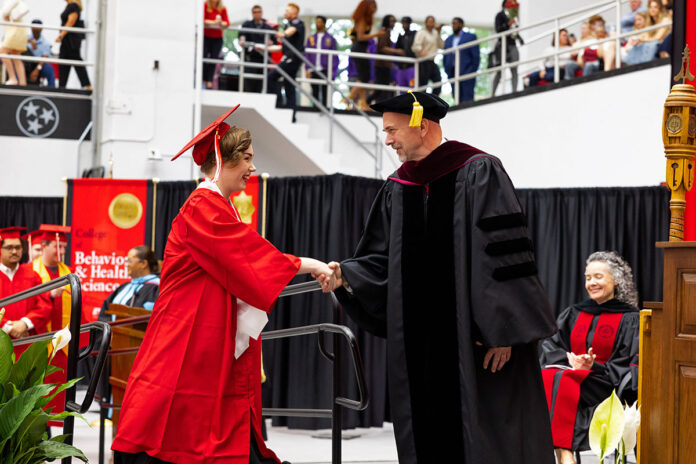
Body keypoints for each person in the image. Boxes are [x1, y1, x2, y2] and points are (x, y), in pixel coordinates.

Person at [320, 91, 557, 464]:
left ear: (422, 125)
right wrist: (347, 275)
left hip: (475, 344)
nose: (388, 139)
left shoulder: (480, 171)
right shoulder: (398, 188)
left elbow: (504, 258)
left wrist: (504, 332)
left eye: (393, 130)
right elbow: (380, 260)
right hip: (419, 348)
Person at [111, 108, 332, 464]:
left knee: (202, 422)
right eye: (246, 158)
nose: (252, 168)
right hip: (184, 331)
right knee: (170, 423)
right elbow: (250, 256)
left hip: (202, 331)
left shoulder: (219, 206)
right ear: (221, 160)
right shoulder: (202, 206)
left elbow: (246, 259)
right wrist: (312, 265)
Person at [540, 252, 640, 464]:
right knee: (549, 374)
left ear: (616, 281)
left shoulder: (630, 319)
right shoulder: (573, 313)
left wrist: (593, 365)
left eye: (598, 276)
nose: (591, 282)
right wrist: (571, 361)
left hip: (603, 384)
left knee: (558, 378)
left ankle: (561, 452)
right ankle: (564, 453)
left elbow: (628, 363)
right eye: (588, 278)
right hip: (568, 374)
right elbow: (551, 346)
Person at [0, 227, 51, 339]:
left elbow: (44, 305)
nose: (14, 251)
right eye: (9, 248)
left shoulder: (32, 275)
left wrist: (24, 324)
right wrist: (8, 328)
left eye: (18, 247)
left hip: (26, 339)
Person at [98, 245, 160, 321]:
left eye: (129, 261)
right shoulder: (124, 287)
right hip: (114, 332)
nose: (126, 264)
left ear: (144, 263)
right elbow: (105, 312)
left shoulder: (157, 288)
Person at [267, 3, 305, 122]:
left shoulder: (297, 23)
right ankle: (291, 115)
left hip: (292, 59)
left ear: (294, 13)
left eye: (287, 11)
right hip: (289, 58)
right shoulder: (287, 25)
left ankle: (279, 105)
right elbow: (281, 48)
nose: (285, 13)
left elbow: (290, 31)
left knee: (271, 77)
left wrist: (283, 34)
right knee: (289, 85)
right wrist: (263, 48)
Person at [347, 0, 384, 110]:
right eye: (372, 6)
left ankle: (363, 103)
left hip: (361, 49)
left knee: (364, 77)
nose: (373, 9)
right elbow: (361, 37)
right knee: (364, 77)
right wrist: (377, 34)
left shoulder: (365, 19)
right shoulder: (362, 19)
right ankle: (349, 98)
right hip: (358, 49)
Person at [443, 17, 479, 103]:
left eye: (455, 23)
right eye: (452, 24)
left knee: (467, 98)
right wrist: (447, 70)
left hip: (467, 71)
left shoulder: (470, 37)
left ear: (461, 24)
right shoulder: (448, 39)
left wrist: (472, 70)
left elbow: (475, 56)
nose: (453, 25)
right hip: (452, 72)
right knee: (456, 98)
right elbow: (445, 57)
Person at [304, 15, 338, 107]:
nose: (317, 24)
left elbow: (334, 56)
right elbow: (307, 55)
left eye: (319, 22)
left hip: (325, 69)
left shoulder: (330, 39)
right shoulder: (311, 38)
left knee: (325, 91)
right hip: (313, 69)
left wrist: (333, 71)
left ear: (324, 23)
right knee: (314, 90)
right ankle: (315, 108)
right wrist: (307, 68)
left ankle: (325, 109)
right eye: (316, 22)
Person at [56, 0, 91, 90]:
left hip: (71, 40)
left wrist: (61, 35)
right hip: (66, 41)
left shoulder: (74, 6)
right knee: (64, 62)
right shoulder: (69, 6)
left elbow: (71, 21)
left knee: (76, 60)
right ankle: (61, 87)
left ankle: (87, 86)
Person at [491, 0, 523, 95]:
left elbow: (514, 31)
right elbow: (498, 30)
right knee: (499, 71)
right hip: (502, 46)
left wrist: (519, 38)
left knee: (514, 69)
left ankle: (514, 91)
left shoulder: (514, 16)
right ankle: (492, 93)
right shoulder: (500, 15)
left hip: (512, 44)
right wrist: (507, 24)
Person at [240, 5, 273, 93]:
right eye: (255, 12)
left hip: (263, 59)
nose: (257, 14)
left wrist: (269, 43)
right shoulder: (247, 25)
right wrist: (242, 41)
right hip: (250, 59)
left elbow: (273, 41)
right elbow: (242, 36)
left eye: (259, 12)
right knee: (249, 84)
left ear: (261, 13)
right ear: (252, 13)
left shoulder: (267, 27)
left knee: (262, 85)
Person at [370, 14, 402, 103]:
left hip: (385, 66)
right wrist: (397, 51)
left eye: (394, 22)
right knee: (380, 90)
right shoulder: (384, 32)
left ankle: (369, 103)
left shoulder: (387, 32)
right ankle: (367, 103)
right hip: (381, 66)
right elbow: (382, 47)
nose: (393, 24)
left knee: (384, 89)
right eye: (392, 21)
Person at [411, 15, 444, 95]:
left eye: (433, 22)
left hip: (432, 61)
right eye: (429, 22)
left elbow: (442, 45)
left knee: (438, 82)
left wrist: (439, 32)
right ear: (425, 23)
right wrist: (421, 50)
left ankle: (433, 100)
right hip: (423, 62)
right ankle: (424, 103)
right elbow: (415, 46)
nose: (431, 24)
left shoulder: (435, 33)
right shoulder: (421, 33)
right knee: (423, 85)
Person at [1, 0, 29, 86]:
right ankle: (22, 82)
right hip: (16, 27)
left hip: (15, 28)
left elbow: (7, 10)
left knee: (2, 52)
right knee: (16, 56)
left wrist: (4, 14)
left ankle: (13, 78)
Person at [202, 0, 229, 90]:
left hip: (217, 38)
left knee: (213, 60)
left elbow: (227, 23)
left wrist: (220, 23)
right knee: (204, 57)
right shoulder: (205, 5)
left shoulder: (222, 8)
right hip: (206, 36)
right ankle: (204, 79)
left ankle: (209, 81)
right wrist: (214, 23)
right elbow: (203, 20)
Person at [25, 19, 56, 87]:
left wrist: (37, 70)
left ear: (41, 28)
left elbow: (44, 58)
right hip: (27, 63)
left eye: (37, 26)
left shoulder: (46, 43)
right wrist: (29, 41)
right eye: (34, 26)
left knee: (49, 69)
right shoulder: (25, 38)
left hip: (39, 65)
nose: (35, 28)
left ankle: (52, 91)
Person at [394, 16, 416, 92]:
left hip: (411, 67)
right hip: (401, 67)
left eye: (406, 23)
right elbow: (397, 50)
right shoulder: (400, 37)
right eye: (403, 23)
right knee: (402, 90)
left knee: (412, 88)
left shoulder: (414, 35)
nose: (405, 25)